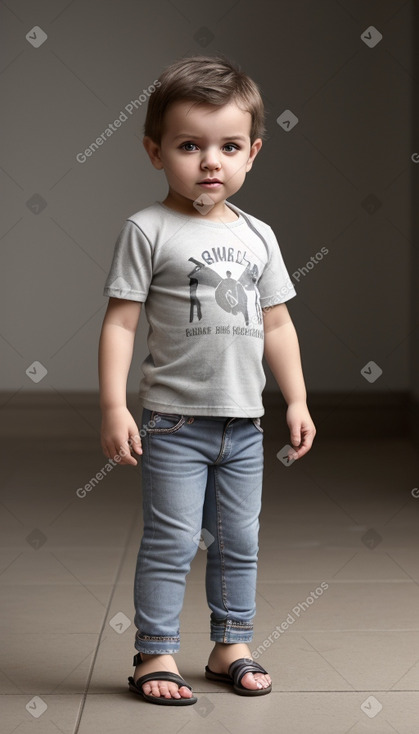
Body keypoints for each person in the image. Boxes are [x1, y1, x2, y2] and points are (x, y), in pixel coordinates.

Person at [98, 55, 316, 706]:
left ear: (251, 153)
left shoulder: (258, 237)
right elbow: (120, 324)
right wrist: (114, 405)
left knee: (239, 540)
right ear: (155, 151)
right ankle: (155, 653)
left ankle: (230, 645)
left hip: (243, 426)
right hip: (174, 422)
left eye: (226, 147)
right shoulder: (148, 229)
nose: (209, 162)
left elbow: (276, 326)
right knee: (170, 540)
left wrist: (297, 398)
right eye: (189, 146)